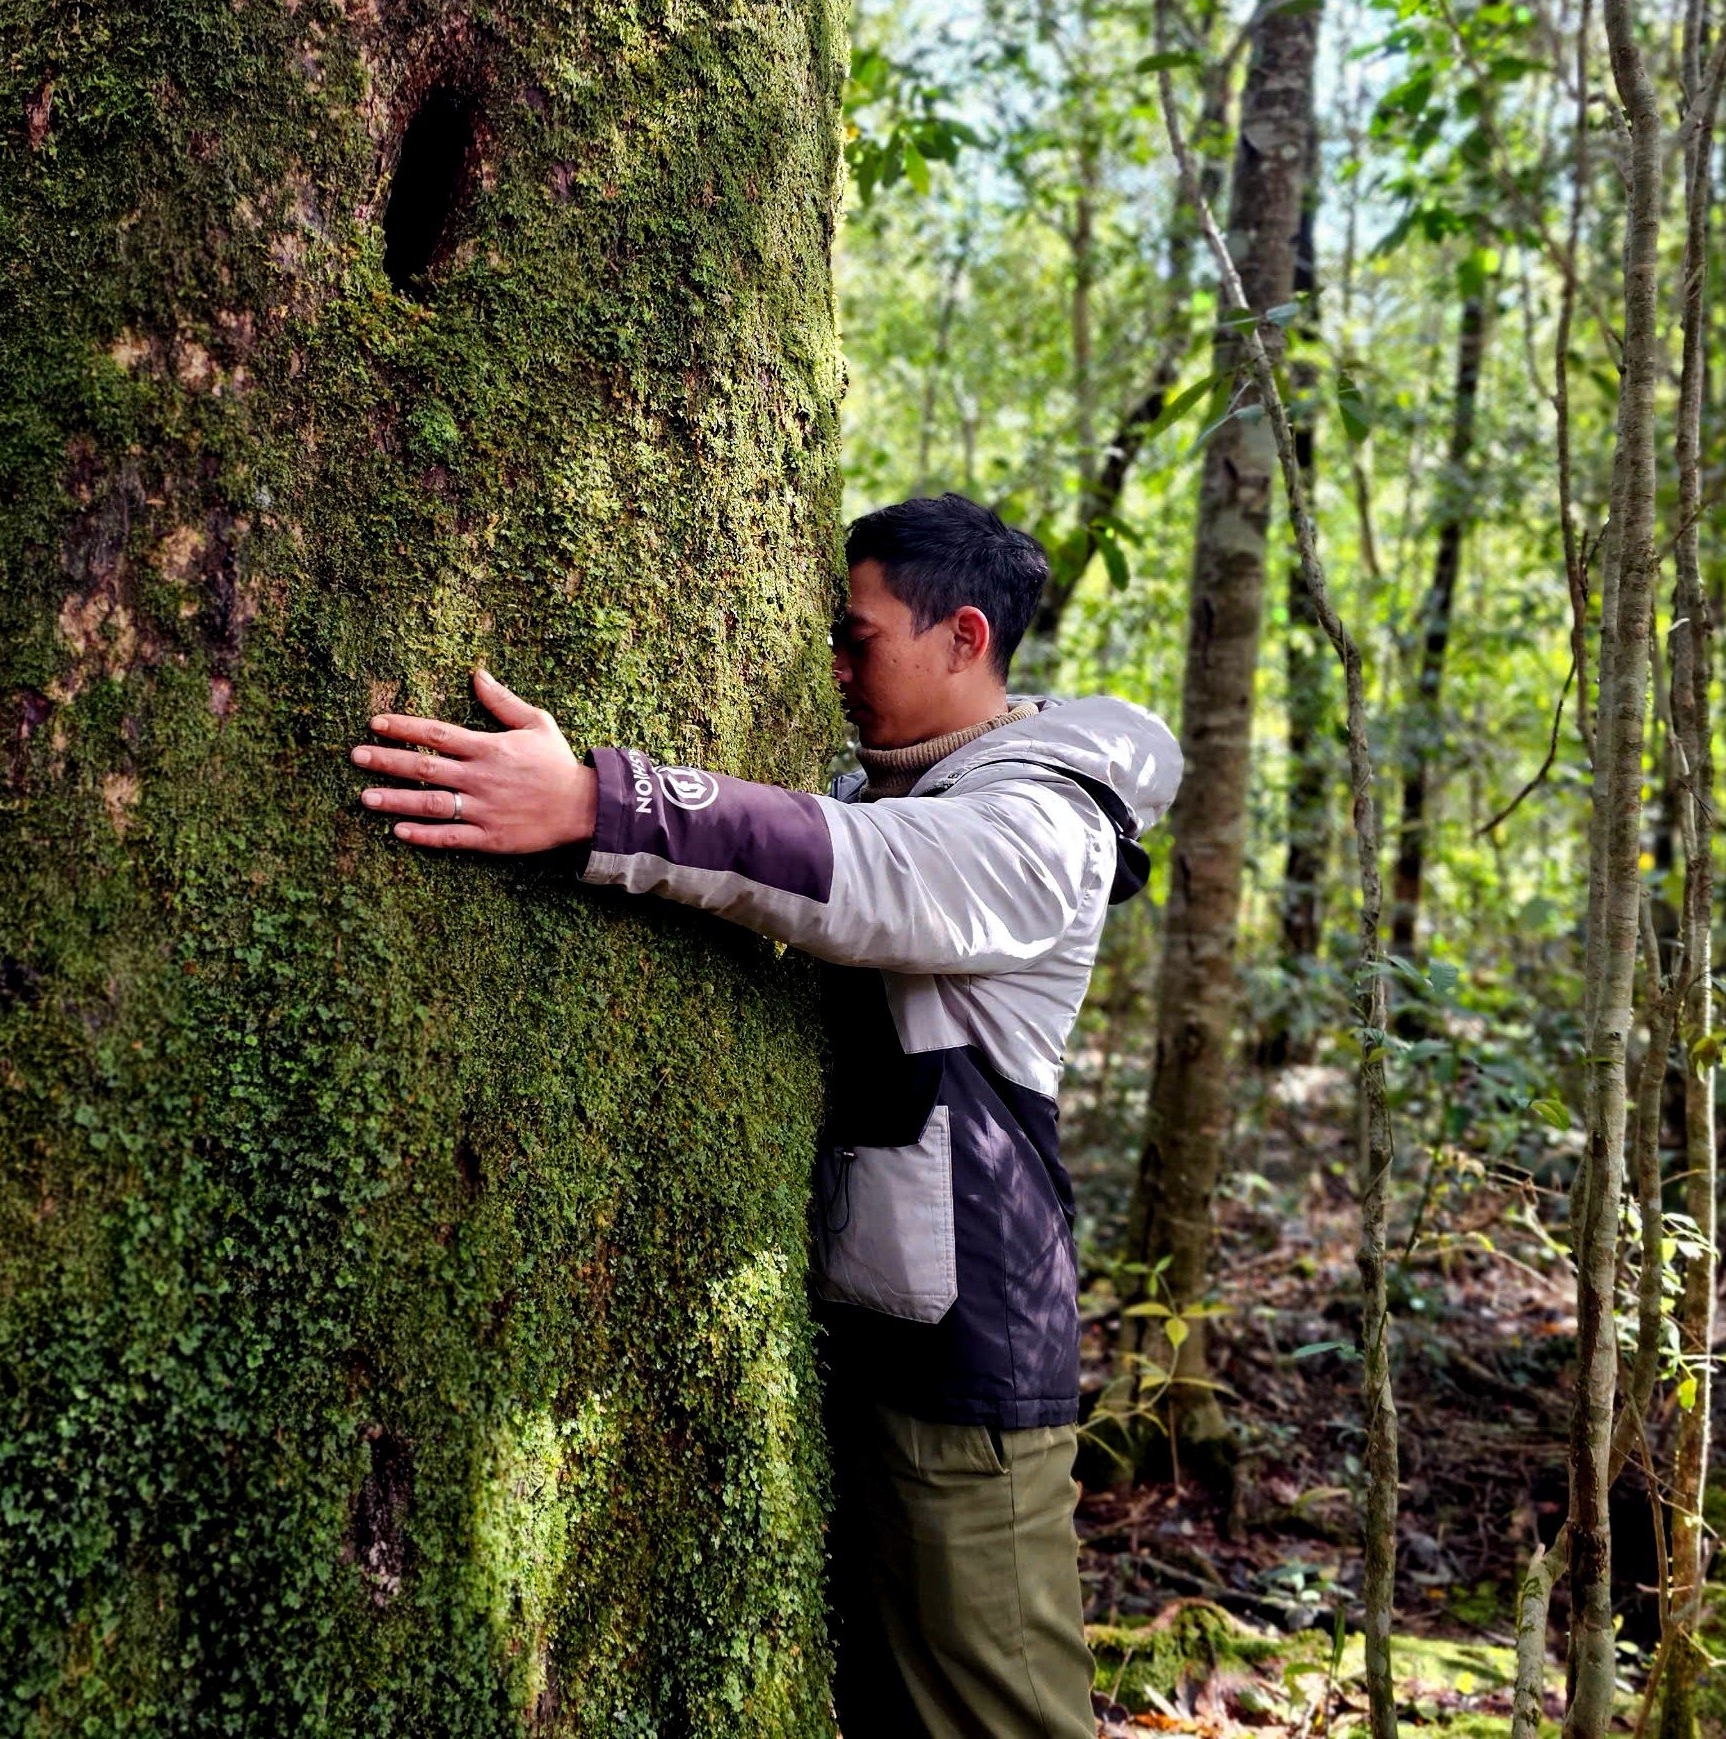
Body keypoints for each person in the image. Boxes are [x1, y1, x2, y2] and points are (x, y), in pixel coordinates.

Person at [348, 492, 1181, 1739]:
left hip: (973, 1357)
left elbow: (876, 878)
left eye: (859, 638)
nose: (830, 667)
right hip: (872, 1321)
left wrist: (597, 801)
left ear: (964, 636)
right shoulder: (908, 778)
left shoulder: (1045, 820)